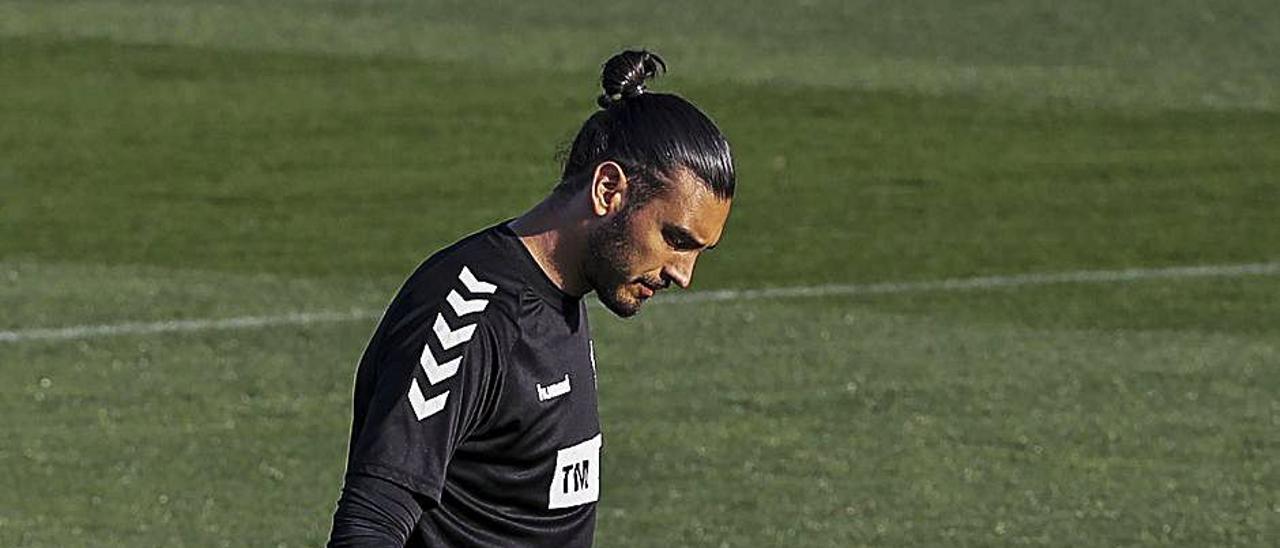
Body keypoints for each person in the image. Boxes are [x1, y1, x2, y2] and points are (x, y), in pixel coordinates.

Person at [326, 49, 735, 547]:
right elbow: (369, 527)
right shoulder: (467, 315)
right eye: (676, 239)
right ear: (609, 190)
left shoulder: (565, 296)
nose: (683, 274)